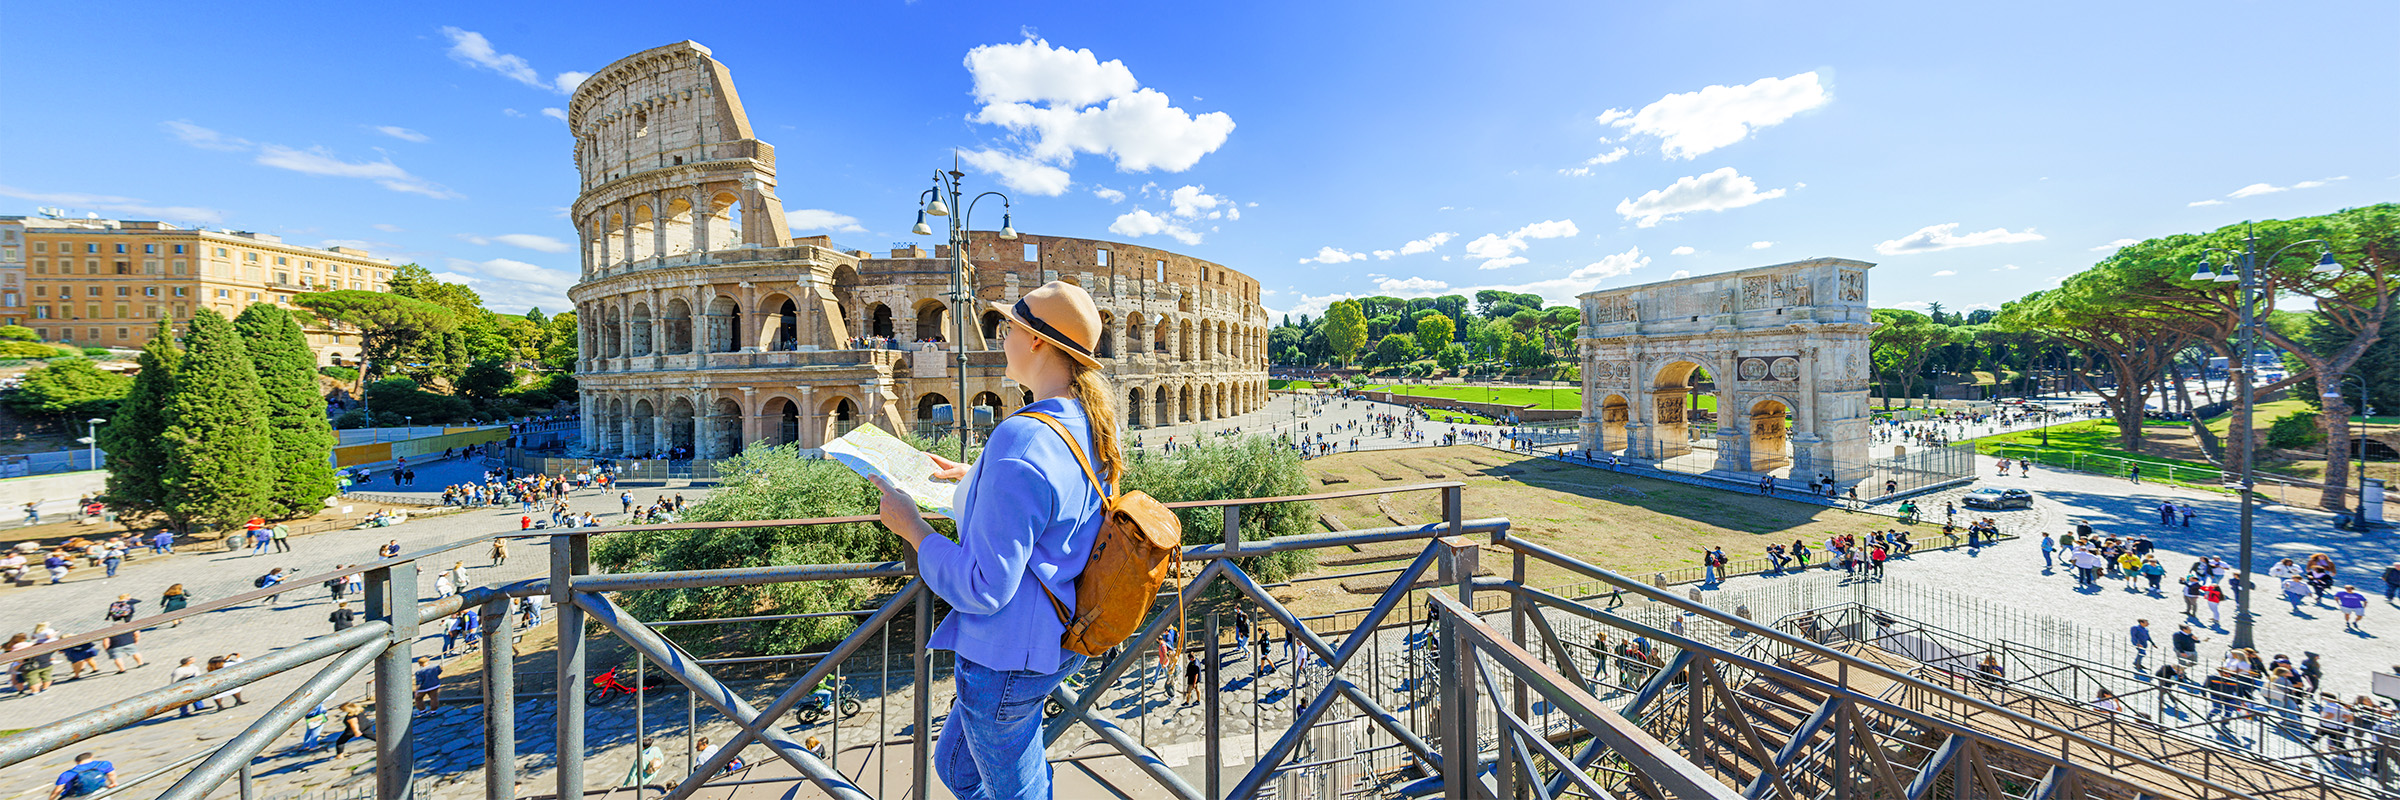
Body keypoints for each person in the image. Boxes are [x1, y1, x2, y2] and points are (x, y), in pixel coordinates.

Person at [866, 281, 1117, 800]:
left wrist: (911, 526)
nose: (1000, 338)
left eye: (1008, 328)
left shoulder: (1021, 437)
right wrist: (977, 476)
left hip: (1006, 659)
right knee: (957, 767)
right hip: (1058, 636)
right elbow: (1051, 511)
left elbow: (983, 588)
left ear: (1038, 343)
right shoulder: (1089, 425)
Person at [47, 753, 114, 800]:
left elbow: (58, 790)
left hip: (77, 797)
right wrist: (113, 783)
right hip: (99, 791)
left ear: (77, 761)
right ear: (91, 757)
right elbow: (111, 774)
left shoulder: (68, 774)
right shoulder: (104, 764)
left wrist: (51, 799)